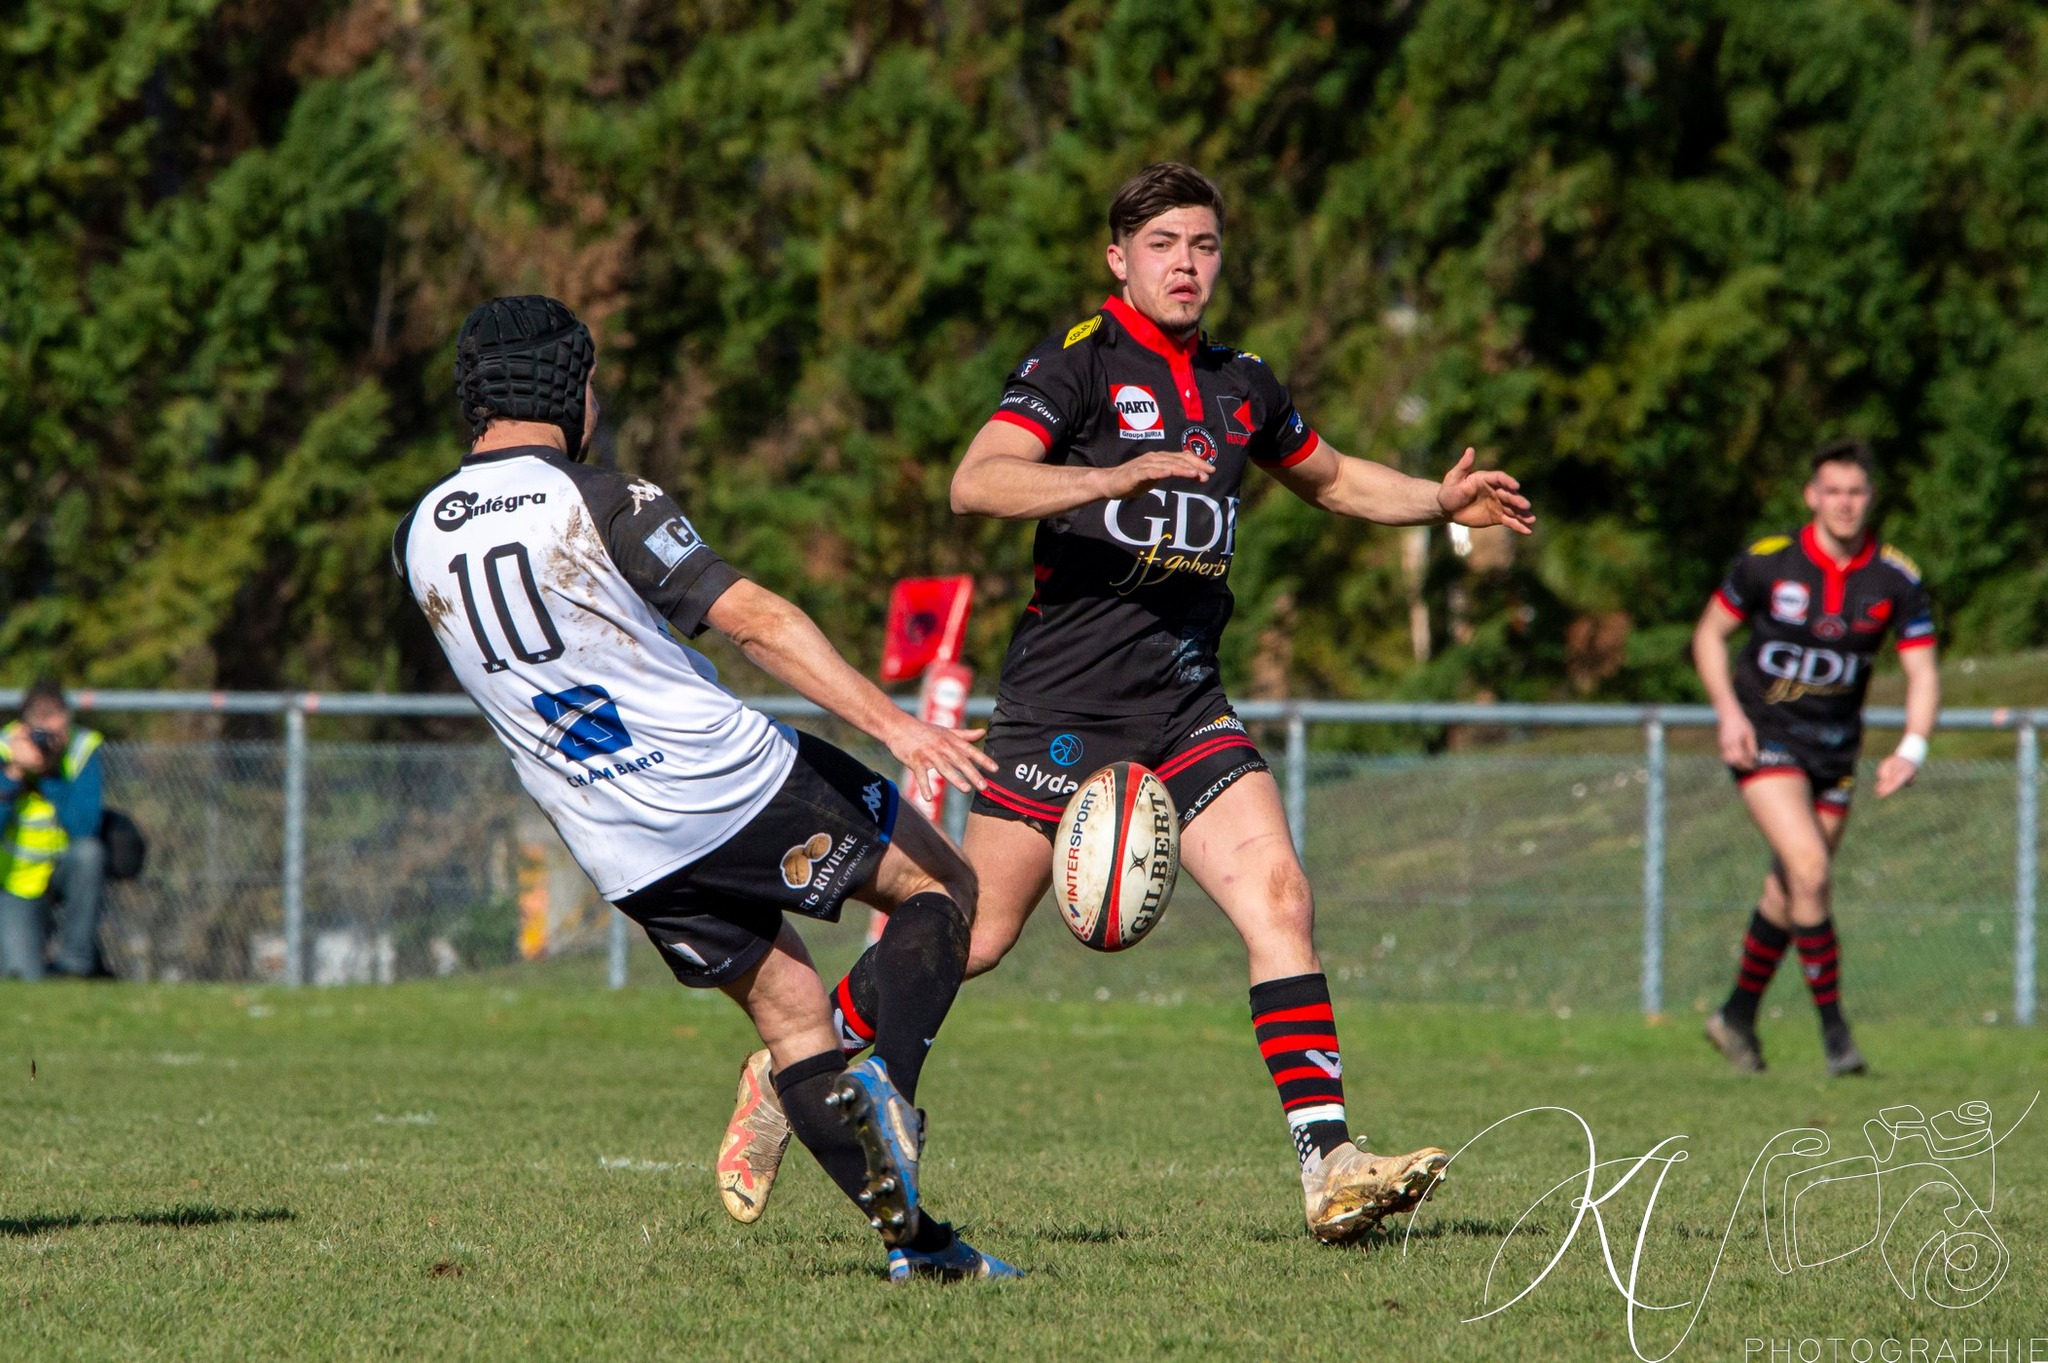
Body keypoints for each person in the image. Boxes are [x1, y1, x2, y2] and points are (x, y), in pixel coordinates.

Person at [722, 164, 1535, 1245]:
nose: (1185, 264)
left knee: (1279, 897)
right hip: (1060, 709)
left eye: (1202, 245)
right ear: (1119, 258)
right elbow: (977, 480)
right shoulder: (1080, 364)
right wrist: (1105, 478)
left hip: (1186, 707)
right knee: (970, 933)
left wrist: (1437, 499)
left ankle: (1328, 1163)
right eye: (1162, 245)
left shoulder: (1245, 383)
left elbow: (1332, 478)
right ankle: (787, 1070)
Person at [395, 295, 1018, 1282]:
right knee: (944, 888)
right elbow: (756, 620)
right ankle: (888, 1088)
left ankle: (922, 1252)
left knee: (792, 1023)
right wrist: (895, 723)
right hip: (730, 779)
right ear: (570, 389)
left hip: (618, 840)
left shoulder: (418, 533)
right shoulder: (606, 499)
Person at [1692, 439, 1938, 1077]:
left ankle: (1736, 1017)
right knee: (1808, 866)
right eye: (1833, 491)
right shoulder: (1767, 564)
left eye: (1856, 492)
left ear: (1870, 498)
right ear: (1812, 496)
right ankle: (1837, 1037)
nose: (1845, 503)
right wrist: (1727, 712)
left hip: (1835, 754)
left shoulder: (1895, 579)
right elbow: (1709, 636)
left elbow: (1922, 673)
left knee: (1793, 885)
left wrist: (1911, 747)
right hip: (1765, 739)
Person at [0, 679, 110, 980]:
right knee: (21, 978)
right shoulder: (5, 749)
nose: (50, 740)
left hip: (62, 868)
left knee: (90, 854)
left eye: (58, 730)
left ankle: (75, 964)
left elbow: (84, 826)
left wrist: (48, 774)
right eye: (42, 732)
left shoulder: (81, 749)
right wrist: (13, 774)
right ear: (24, 725)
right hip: (16, 881)